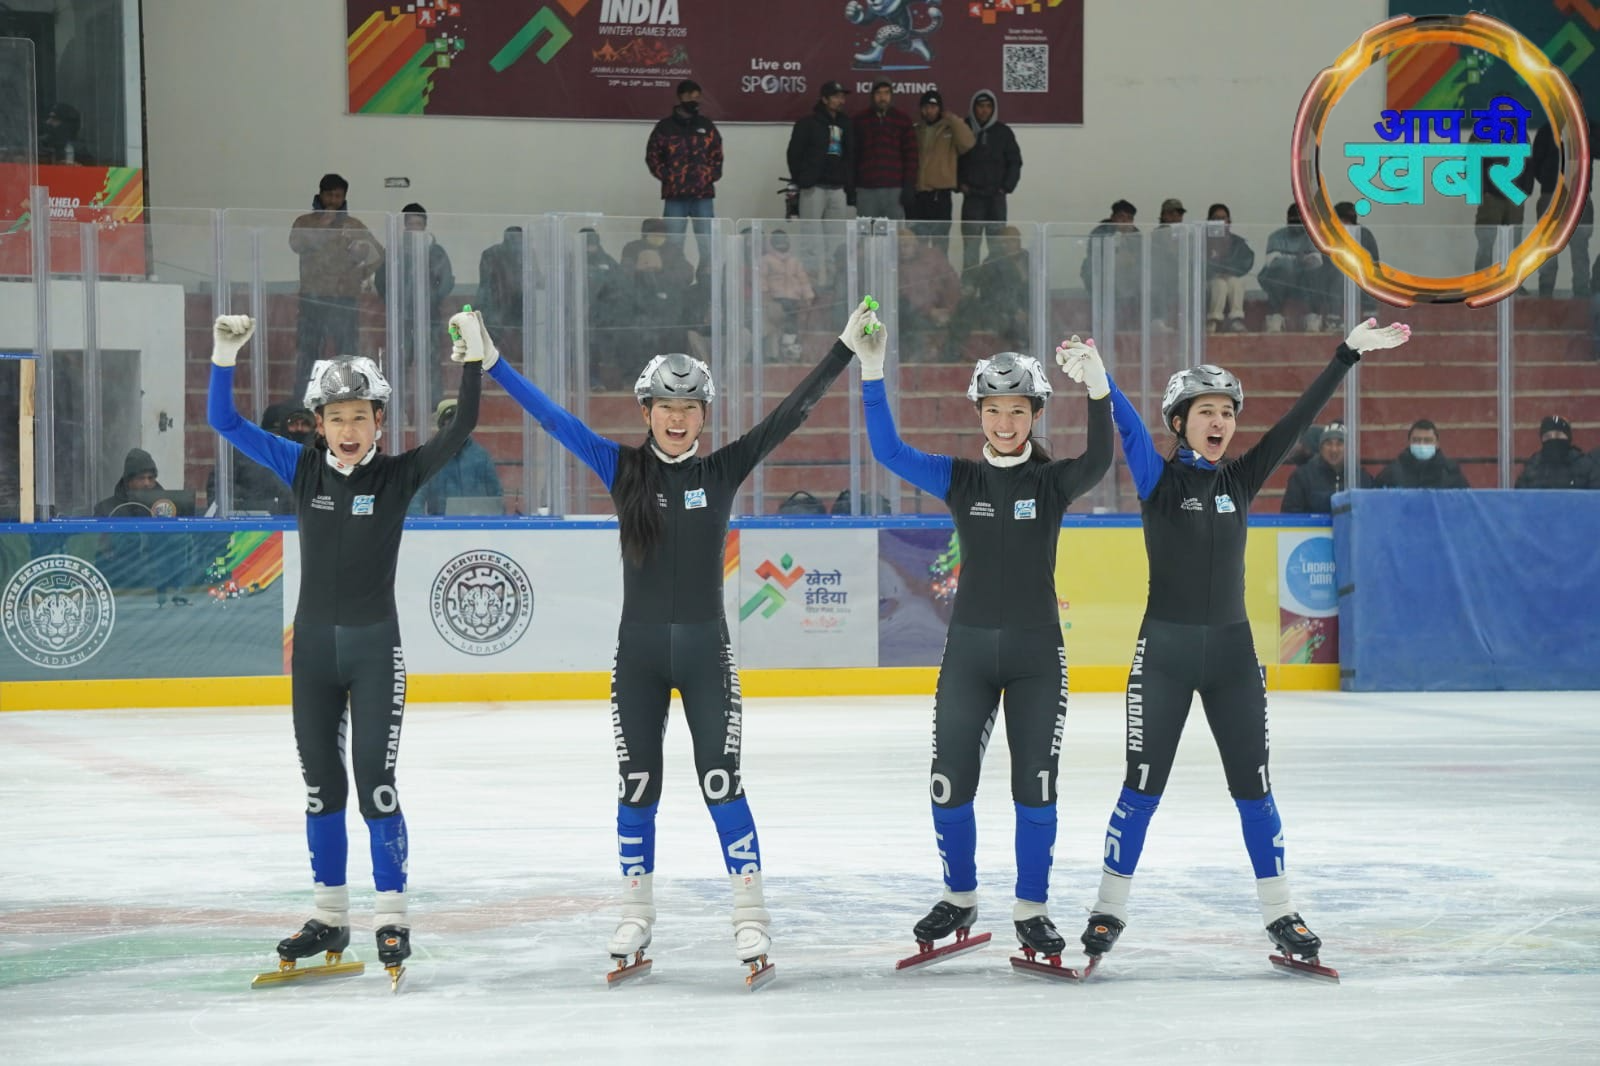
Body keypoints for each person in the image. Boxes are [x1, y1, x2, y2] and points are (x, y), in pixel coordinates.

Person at [479, 302, 865, 979]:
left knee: (721, 779)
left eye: (689, 406)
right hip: (639, 657)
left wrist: (842, 349)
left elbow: (789, 417)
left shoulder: (720, 472)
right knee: (637, 783)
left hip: (705, 651)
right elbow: (553, 421)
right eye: (665, 404)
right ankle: (636, 910)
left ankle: (750, 916)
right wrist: (492, 363)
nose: (677, 416)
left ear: (704, 415)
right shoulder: (624, 470)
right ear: (647, 410)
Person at [1077, 318, 1412, 973]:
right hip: (1165, 656)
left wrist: (1347, 354)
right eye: (1206, 411)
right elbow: (1125, 429)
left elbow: (1294, 424)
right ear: (1181, 422)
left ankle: (1281, 912)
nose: (1220, 421)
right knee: (1141, 786)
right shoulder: (1157, 480)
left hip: (1233, 657)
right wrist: (1101, 383)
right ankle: (1107, 908)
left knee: (1254, 788)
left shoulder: (1239, 482)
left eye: (1228, 412)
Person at [206, 310, 484, 985]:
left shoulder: (396, 477)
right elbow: (225, 423)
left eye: (361, 417)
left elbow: (464, 428)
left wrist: (472, 361)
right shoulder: (302, 470)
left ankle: (392, 914)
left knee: (375, 788)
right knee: (320, 788)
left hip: (373, 650)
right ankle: (330, 914)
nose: (350, 430)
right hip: (313, 657)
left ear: (379, 422)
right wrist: (223, 356)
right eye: (337, 418)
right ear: (318, 423)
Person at [859, 313, 1113, 962]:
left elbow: (1103, 459)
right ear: (980, 414)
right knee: (949, 781)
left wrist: (1099, 391)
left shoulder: (1052, 483)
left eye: (1018, 411)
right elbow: (888, 453)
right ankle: (960, 897)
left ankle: (1032, 908)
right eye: (994, 411)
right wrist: (871, 369)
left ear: (1034, 415)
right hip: (968, 655)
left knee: (1036, 786)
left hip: (1037, 659)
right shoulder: (962, 479)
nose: (1005, 423)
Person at [288, 174, 384, 389]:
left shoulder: (353, 224)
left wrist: (361, 273)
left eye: (338, 196)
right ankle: (304, 397)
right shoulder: (305, 222)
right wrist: (324, 225)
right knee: (309, 349)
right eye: (329, 195)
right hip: (313, 297)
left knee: (347, 349)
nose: (333, 201)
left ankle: (347, 393)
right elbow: (295, 244)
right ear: (320, 194)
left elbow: (379, 254)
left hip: (344, 297)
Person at [374, 202, 456, 400]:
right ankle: (396, 404)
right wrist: (393, 302)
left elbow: (446, 281)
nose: (415, 228)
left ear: (425, 225)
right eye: (411, 224)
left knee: (431, 362)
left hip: (429, 317)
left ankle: (434, 405)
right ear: (404, 226)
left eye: (418, 224)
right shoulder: (395, 251)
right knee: (400, 362)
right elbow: (381, 280)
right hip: (402, 317)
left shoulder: (436, 252)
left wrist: (432, 299)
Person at [646, 79, 723, 270]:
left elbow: (717, 155)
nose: (694, 100)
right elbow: (653, 156)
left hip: (702, 195)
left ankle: (707, 285)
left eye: (697, 96)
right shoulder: (665, 127)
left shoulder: (707, 125)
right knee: (672, 245)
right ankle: (675, 286)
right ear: (681, 97)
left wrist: (709, 176)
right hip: (675, 195)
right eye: (690, 95)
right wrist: (668, 177)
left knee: (707, 245)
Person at [957, 89, 1022, 273]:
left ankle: (993, 289)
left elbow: (1015, 162)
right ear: (973, 108)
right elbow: (951, 159)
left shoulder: (1003, 132)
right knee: (970, 249)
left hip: (996, 200)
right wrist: (959, 184)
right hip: (972, 199)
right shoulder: (963, 128)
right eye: (980, 106)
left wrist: (1006, 188)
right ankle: (969, 290)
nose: (984, 111)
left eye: (988, 107)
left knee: (997, 249)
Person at [411, 398, 504, 514]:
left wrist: (493, 525)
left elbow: (496, 497)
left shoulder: (481, 457)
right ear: (442, 425)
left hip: (477, 528)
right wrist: (424, 527)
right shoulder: (429, 457)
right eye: (450, 422)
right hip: (441, 529)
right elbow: (415, 498)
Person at [909, 90, 975, 255]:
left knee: (940, 246)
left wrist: (952, 119)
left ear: (940, 108)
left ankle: (940, 280)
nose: (929, 111)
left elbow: (968, 143)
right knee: (918, 246)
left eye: (933, 107)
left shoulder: (950, 129)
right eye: (925, 107)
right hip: (919, 196)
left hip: (941, 196)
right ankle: (920, 281)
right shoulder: (916, 129)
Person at [1259, 203, 1337, 333]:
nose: (1296, 224)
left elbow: (1317, 262)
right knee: (1282, 271)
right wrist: (1298, 261)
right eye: (1293, 220)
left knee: (1315, 273)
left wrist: (1291, 261)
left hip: (1304, 282)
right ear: (1287, 219)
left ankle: (1312, 317)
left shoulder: (1313, 237)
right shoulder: (1276, 237)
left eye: (1300, 220)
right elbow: (1272, 263)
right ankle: (1275, 317)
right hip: (1281, 281)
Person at [852, 79, 918, 221]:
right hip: (866, 189)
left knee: (894, 237)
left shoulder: (903, 120)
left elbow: (911, 156)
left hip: (894, 189)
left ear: (892, 95)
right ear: (872, 96)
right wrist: (851, 186)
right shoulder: (859, 120)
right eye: (878, 93)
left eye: (886, 93)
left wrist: (909, 186)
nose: (882, 97)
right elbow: (853, 156)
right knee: (866, 237)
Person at [1281, 421, 1373, 513]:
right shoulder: (1302, 477)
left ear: (1348, 449)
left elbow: (1371, 514)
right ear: (1321, 448)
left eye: (1340, 443)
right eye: (1328, 444)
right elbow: (1290, 515)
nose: (1334, 449)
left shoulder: (1362, 478)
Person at [1080, 200, 1140, 327]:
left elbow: (1139, 258)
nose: (1124, 222)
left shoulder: (1135, 234)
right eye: (1121, 217)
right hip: (1102, 276)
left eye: (1129, 218)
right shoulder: (1101, 231)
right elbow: (1095, 257)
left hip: (1127, 278)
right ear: (1113, 217)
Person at [759, 229, 815, 359]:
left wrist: (808, 296)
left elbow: (803, 279)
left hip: (794, 299)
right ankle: (778, 351)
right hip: (775, 299)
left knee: (792, 325)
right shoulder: (766, 260)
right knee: (777, 326)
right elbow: (761, 278)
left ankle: (790, 348)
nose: (782, 243)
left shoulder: (794, 260)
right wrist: (765, 295)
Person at [1203, 204, 1255, 333]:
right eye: (1216, 218)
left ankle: (1235, 320)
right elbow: (1196, 264)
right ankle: (1213, 321)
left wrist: (1229, 271)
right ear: (1209, 221)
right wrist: (1215, 273)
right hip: (1208, 281)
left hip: (1230, 277)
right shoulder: (1201, 240)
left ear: (1229, 221)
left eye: (1223, 218)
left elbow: (1246, 261)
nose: (1220, 222)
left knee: (1235, 283)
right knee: (1219, 284)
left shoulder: (1237, 242)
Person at [1374, 419, 1470, 488]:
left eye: (1427, 440)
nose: (1422, 444)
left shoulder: (1451, 472)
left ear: (1437, 444)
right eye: (1416, 440)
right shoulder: (1392, 473)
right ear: (1409, 443)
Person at [1515, 414, 1598, 489]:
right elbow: (1520, 500)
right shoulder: (1532, 467)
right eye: (1548, 436)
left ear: (1568, 437)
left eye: (1558, 434)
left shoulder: (1586, 466)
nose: (1553, 438)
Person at [94, 448, 163, 516]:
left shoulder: (165, 507)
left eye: (150, 478)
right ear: (128, 481)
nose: (146, 483)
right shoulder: (106, 511)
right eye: (141, 478)